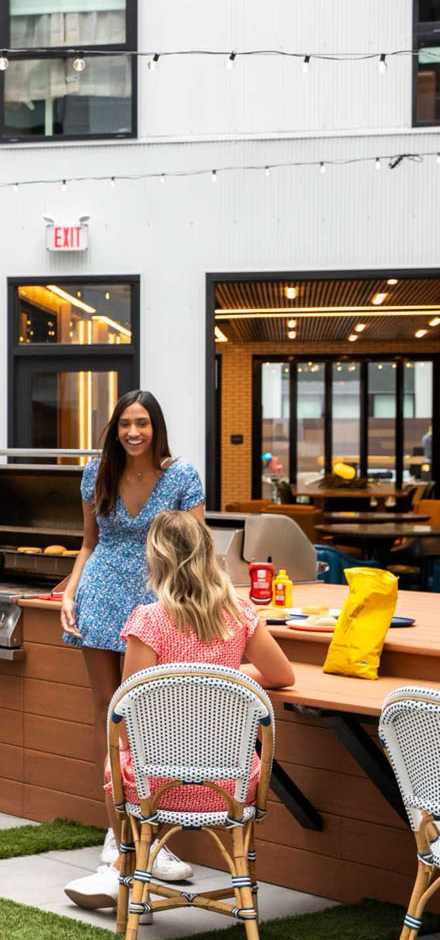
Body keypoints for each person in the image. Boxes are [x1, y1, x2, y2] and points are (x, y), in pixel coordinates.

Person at [63, 510, 294, 910]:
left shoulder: (148, 621)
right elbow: (281, 674)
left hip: (155, 787)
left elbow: (127, 710)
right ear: (209, 555)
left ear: (156, 560)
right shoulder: (239, 614)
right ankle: (131, 873)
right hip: (234, 787)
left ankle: (127, 868)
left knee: (116, 753)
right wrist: (224, 672)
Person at [60, 390, 206, 882]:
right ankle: (117, 833)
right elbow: (88, 543)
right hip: (100, 597)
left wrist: (203, 604)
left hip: (160, 602)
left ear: (155, 426)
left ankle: (155, 839)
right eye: (125, 423)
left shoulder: (182, 476)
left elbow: (197, 550)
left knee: (156, 719)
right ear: (114, 429)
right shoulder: (95, 473)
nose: (133, 432)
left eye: (141, 422)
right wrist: (69, 592)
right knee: (111, 715)